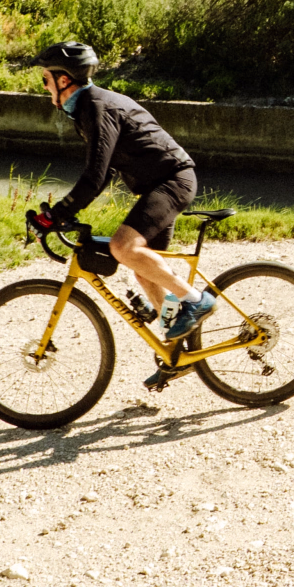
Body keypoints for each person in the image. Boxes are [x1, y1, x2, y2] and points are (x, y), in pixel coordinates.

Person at [29, 42, 214, 381]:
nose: (43, 87)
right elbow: (108, 171)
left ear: (64, 79)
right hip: (158, 185)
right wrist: (63, 213)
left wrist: (57, 214)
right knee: (143, 268)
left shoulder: (97, 108)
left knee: (122, 246)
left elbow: (95, 176)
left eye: (46, 79)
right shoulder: (87, 109)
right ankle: (178, 355)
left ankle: (196, 300)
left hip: (173, 181)